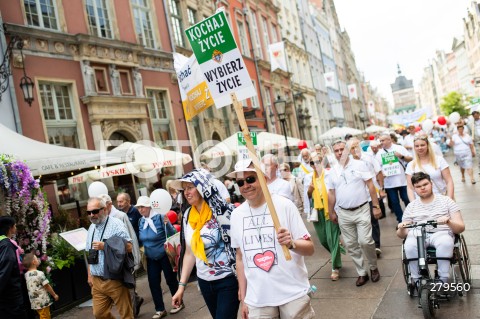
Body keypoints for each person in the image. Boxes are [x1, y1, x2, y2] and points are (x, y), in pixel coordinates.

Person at [228, 159, 315, 319]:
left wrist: (291, 243)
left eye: (250, 179)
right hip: (258, 299)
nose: (245, 186)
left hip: (292, 293)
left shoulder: (284, 206)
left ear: (264, 178)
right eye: (240, 182)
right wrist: (243, 297)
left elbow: (310, 248)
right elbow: (240, 258)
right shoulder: (236, 215)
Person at [171, 169, 238, 319]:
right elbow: (190, 253)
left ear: (202, 187)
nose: (186, 192)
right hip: (205, 282)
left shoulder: (222, 211)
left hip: (227, 280)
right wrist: (181, 287)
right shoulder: (188, 215)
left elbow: (238, 248)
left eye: (190, 187)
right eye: (184, 189)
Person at [327, 140, 382, 287]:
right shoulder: (332, 171)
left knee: (365, 241)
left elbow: (370, 185)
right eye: (336, 150)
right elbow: (331, 193)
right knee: (351, 245)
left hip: (362, 209)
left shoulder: (359, 165)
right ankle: (361, 273)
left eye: (342, 149)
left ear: (347, 150)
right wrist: (330, 211)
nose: (339, 153)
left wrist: (376, 206)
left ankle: (373, 267)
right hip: (343, 213)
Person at [396, 172, 465, 285]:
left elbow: (461, 227)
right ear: (414, 189)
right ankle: (416, 278)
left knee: (446, 242)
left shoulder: (447, 201)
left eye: (425, 184)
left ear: (431, 184)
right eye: (418, 186)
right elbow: (401, 235)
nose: (422, 188)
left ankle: (442, 278)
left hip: (441, 232)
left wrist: (448, 222)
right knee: (409, 245)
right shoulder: (411, 206)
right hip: (418, 233)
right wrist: (402, 228)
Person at [86, 197, 134, 319]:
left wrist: (106, 245)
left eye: (95, 211)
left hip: (114, 278)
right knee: (99, 314)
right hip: (97, 280)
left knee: (126, 314)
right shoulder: (91, 228)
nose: (92, 215)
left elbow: (129, 247)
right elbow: (90, 253)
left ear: (105, 209)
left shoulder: (116, 224)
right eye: (89, 212)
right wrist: (89, 274)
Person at [136, 196, 184, 318]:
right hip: (151, 257)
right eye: (138, 207)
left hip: (164, 255)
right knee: (153, 283)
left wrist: (167, 224)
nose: (140, 210)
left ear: (149, 207)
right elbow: (142, 238)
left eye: (142, 207)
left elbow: (173, 234)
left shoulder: (160, 216)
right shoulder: (141, 221)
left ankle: (178, 303)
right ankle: (160, 309)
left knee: (171, 280)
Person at [98, 194, 143, 317]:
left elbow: (130, 237)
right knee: (123, 288)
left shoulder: (120, 216)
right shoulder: (101, 219)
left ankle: (132, 313)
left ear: (108, 205)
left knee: (129, 285)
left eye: (102, 206)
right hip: (113, 260)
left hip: (125, 258)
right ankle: (135, 302)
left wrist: (135, 257)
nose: (100, 209)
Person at [307, 152, 344, 281]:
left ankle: (335, 267)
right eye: (312, 162)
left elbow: (336, 192)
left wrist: (336, 210)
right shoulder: (308, 177)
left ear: (322, 162)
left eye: (317, 161)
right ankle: (338, 252)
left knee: (332, 239)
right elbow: (307, 196)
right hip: (317, 211)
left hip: (330, 209)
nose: (315, 165)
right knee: (323, 240)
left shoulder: (330, 174)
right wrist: (310, 190)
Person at [348, 138, 386, 257]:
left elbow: (378, 172)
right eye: (351, 148)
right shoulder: (348, 162)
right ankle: (367, 243)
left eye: (356, 146)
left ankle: (376, 246)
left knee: (373, 220)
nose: (354, 150)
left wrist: (381, 188)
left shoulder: (369, 157)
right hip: (357, 197)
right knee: (362, 222)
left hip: (371, 194)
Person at [375, 132, 412, 223]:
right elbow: (377, 168)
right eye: (380, 141)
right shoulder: (379, 153)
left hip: (402, 180)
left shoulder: (399, 148)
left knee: (407, 199)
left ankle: (411, 217)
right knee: (395, 202)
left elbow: (410, 158)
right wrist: (381, 174)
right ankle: (401, 220)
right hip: (389, 183)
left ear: (389, 140)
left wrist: (401, 156)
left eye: (383, 140)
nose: (381, 142)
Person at [405, 134, 454, 202]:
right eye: (417, 146)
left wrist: (449, 200)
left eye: (422, 145)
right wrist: (413, 204)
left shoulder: (439, 160)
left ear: (428, 146)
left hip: (441, 199)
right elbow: (410, 188)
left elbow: (449, 181)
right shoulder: (411, 165)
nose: (420, 148)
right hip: (421, 203)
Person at [0, 216, 27, 319]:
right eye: (15, 225)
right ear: (10, 228)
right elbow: (5, 270)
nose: (16, 227)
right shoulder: (6, 245)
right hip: (10, 296)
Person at [23, 252, 59, 319]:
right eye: (37, 259)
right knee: (45, 316)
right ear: (34, 262)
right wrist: (54, 295)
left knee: (42, 315)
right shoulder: (39, 274)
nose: (38, 260)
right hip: (42, 301)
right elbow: (47, 286)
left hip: (34, 302)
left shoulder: (26, 275)